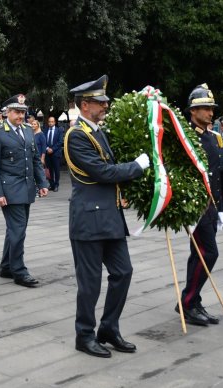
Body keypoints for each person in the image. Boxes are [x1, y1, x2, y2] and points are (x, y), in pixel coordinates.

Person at [64, 75, 149, 358]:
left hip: (109, 217)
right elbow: (103, 172)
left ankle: (109, 328)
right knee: (89, 283)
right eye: (101, 102)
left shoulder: (97, 131)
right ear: (85, 105)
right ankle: (84, 335)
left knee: (123, 272)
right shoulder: (77, 135)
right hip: (88, 220)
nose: (106, 105)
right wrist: (136, 167)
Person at [0, 94, 48, 288]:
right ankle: (19, 271)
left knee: (14, 229)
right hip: (10, 189)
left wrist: (43, 183)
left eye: (23, 112)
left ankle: (7, 266)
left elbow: (35, 159)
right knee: (18, 230)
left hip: (27, 188)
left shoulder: (28, 131)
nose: (21, 115)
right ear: (7, 113)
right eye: (17, 112)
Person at [176, 83, 223, 328]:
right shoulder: (186, 138)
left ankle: (192, 300)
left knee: (199, 254)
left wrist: (221, 206)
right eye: (205, 108)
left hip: (211, 204)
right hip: (196, 205)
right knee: (209, 252)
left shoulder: (212, 137)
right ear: (192, 111)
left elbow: (216, 173)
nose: (211, 113)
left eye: (211, 108)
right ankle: (187, 301)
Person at [44, 116, 64, 192]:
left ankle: (56, 185)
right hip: (47, 153)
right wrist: (47, 148)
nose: (50, 123)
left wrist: (52, 149)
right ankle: (51, 184)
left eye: (52, 121)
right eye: (49, 121)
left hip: (56, 153)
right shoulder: (45, 130)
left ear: (55, 122)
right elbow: (43, 141)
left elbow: (60, 142)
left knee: (56, 170)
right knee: (49, 170)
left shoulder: (59, 130)